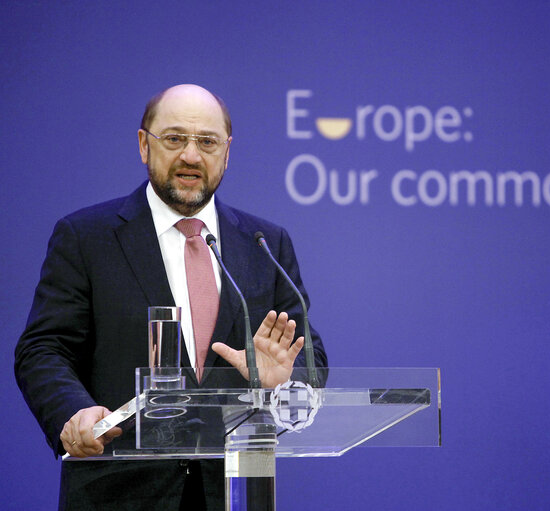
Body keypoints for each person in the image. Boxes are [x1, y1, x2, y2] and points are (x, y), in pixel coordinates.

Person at [14, 84, 327, 510]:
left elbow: (311, 361)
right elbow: (43, 349)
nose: (191, 156)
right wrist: (74, 414)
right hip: (119, 492)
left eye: (207, 142)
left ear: (227, 152)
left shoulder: (263, 243)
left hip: (233, 493)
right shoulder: (87, 238)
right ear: (145, 145)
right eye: (175, 139)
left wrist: (279, 385)